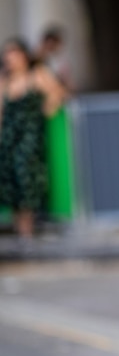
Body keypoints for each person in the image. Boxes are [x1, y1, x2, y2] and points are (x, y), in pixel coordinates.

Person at [0, 36, 66, 238]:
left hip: (29, 134)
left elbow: (57, 93)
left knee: (26, 172)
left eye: (15, 54)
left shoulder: (37, 75)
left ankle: (27, 227)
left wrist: (46, 111)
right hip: (9, 135)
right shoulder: (5, 80)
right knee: (8, 176)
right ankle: (17, 225)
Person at [34, 24, 72, 92]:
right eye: (49, 44)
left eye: (54, 44)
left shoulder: (60, 60)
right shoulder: (39, 59)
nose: (51, 47)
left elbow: (66, 80)